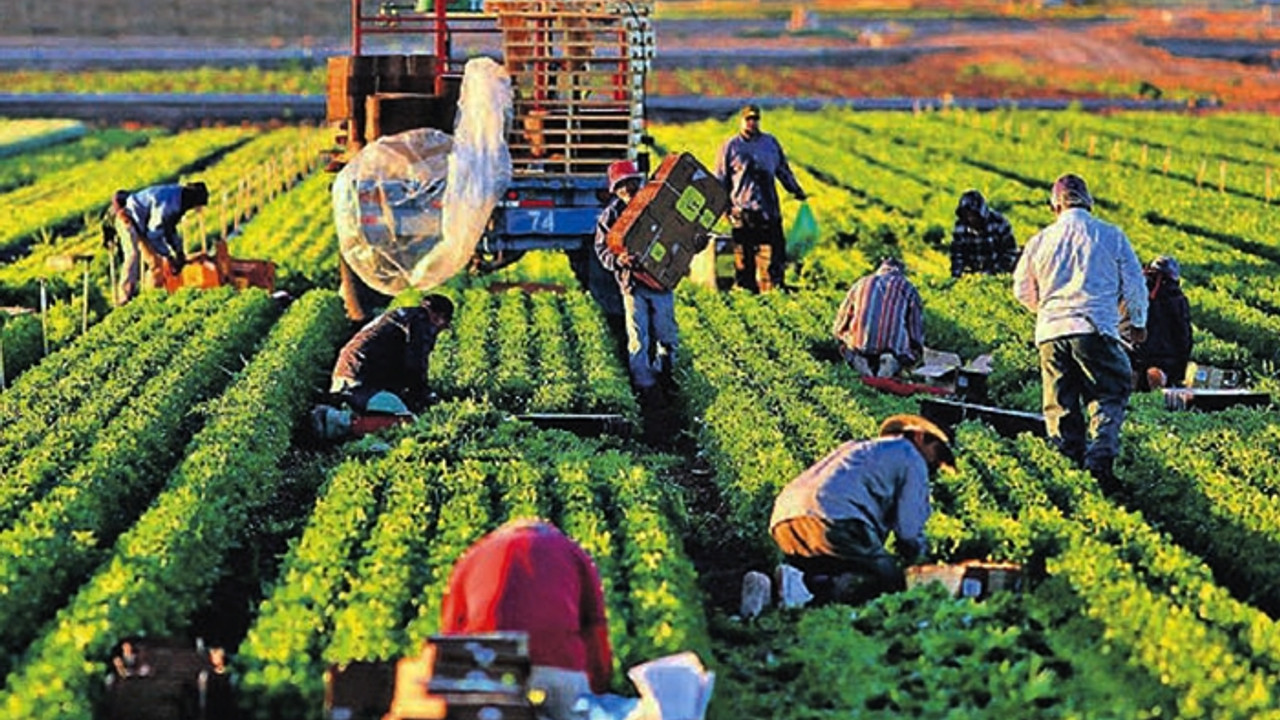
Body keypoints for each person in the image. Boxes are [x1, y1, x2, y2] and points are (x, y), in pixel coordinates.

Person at [1013, 173, 1147, 490]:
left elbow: (1021, 288)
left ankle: (1067, 468)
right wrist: (1137, 324)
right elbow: (1135, 283)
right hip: (1095, 326)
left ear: (1055, 206)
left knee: (1059, 402)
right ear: (1088, 202)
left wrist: (1047, 311)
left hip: (1051, 331)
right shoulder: (1110, 235)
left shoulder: (1040, 240)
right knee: (1109, 393)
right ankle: (1099, 464)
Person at [769, 414, 955, 605]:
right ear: (920, 437)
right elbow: (909, 530)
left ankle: (791, 583)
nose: (936, 464)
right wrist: (922, 563)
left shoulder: (859, 447)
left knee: (839, 568)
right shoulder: (912, 456)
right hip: (834, 520)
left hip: (785, 520)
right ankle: (802, 588)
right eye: (938, 454)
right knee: (891, 581)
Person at [440, 519, 613, 720]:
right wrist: (600, 686)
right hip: (559, 665)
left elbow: (451, 629)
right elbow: (594, 627)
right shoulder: (571, 551)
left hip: (491, 666)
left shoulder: (475, 554)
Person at [594, 159, 680, 433]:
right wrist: (620, 259)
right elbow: (603, 252)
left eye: (632, 182)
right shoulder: (610, 218)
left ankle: (667, 379)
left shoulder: (656, 208)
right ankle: (647, 392)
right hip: (632, 286)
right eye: (623, 185)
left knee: (666, 335)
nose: (628, 188)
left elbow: (680, 235)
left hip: (660, 283)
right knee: (637, 339)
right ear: (615, 189)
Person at [714, 103, 806, 293]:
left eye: (755, 119)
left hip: (768, 207)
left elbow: (782, 170)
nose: (752, 123)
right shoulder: (731, 147)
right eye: (748, 119)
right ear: (741, 121)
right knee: (745, 253)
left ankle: (776, 284)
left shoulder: (770, 144)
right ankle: (747, 288)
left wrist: (795, 190)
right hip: (743, 209)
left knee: (777, 250)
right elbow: (721, 179)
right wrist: (724, 208)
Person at [329, 293, 454, 416]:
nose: (439, 330)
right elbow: (415, 362)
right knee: (403, 416)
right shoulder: (420, 320)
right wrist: (425, 395)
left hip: (345, 376)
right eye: (443, 325)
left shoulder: (404, 315)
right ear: (439, 317)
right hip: (359, 383)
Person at [103, 182, 209, 305]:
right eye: (197, 205)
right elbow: (154, 233)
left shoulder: (179, 200)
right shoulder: (169, 203)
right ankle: (124, 298)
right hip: (127, 218)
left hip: (142, 224)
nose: (196, 209)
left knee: (155, 263)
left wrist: (179, 251)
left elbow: (170, 229)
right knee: (133, 254)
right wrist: (167, 256)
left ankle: (151, 294)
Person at [831, 256, 925, 378]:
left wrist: (841, 337)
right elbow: (915, 329)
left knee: (848, 346)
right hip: (892, 347)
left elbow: (841, 322)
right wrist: (915, 352)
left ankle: (858, 358)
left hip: (860, 343)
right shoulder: (908, 288)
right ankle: (890, 361)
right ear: (901, 272)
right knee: (904, 352)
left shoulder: (860, 283)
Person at [950, 189, 1019, 277]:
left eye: (973, 215)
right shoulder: (960, 228)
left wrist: (995, 271)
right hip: (972, 275)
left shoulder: (999, 223)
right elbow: (957, 255)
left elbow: (1010, 252)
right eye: (967, 215)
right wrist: (958, 274)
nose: (971, 219)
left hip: (996, 272)